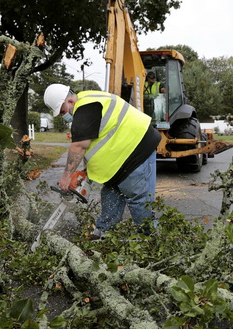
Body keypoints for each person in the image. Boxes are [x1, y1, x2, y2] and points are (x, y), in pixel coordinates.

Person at [44, 83, 161, 239]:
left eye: (63, 111)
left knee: (138, 199)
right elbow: (96, 140)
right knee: (111, 195)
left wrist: (66, 177)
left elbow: (79, 147)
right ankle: (104, 233)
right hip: (118, 163)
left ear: (69, 102)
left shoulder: (86, 108)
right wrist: (86, 171)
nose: (64, 115)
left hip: (136, 153)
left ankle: (151, 239)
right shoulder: (88, 102)